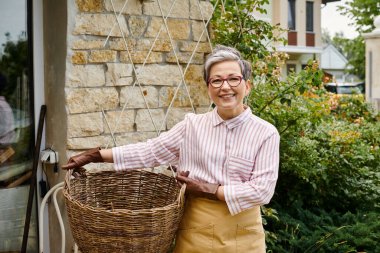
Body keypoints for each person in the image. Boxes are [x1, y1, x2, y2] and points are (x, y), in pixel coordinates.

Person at [62, 45, 280, 252]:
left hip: (244, 236)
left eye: (234, 79)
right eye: (216, 80)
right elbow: (150, 151)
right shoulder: (192, 126)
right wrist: (96, 155)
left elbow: (262, 190)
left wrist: (208, 188)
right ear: (208, 89)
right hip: (197, 231)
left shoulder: (266, 133)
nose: (225, 87)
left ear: (247, 86)